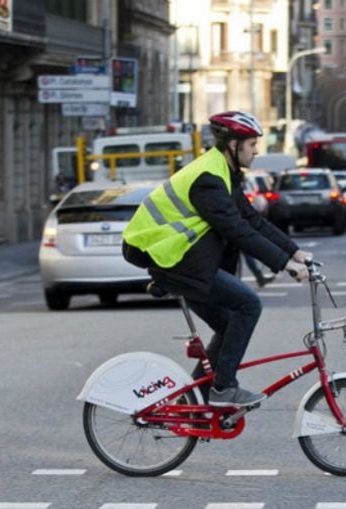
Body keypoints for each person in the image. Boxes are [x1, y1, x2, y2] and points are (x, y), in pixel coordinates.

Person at [121, 111, 311, 407]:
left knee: (227, 324)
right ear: (233, 145)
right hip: (174, 259)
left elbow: (252, 220)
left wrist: (294, 252)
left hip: (185, 261)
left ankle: (193, 402)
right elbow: (236, 230)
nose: (257, 151)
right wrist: (285, 265)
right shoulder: (208, 179)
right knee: (248, 305)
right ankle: (223, 388)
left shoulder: (223, 172)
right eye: (251, 145)